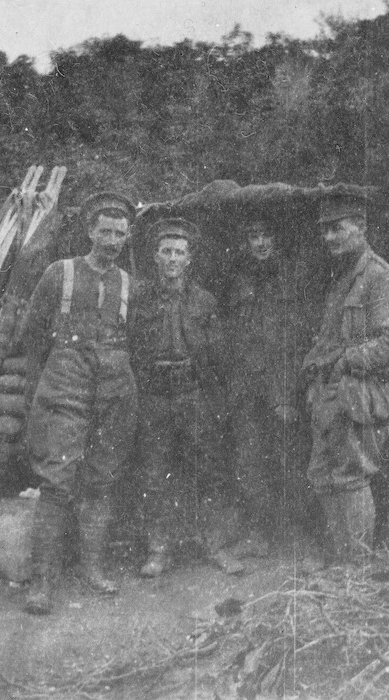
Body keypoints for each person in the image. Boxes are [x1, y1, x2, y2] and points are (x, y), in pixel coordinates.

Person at [23, 191, 138, 614]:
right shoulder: (61, 273)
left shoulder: (129, 283)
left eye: (119, 233)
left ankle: (92, 568)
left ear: (127, 237)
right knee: (57, 482)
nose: (111, 240)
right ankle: (42, 584)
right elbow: (32, 333)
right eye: (104, 231)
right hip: (66, 386)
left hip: (114, 390)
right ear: (90, 231)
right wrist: (48, 383)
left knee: (102, 479)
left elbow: (136, 343)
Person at [301, 189, 389, 570]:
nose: (329, 237)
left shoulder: (381, 277)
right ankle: (342, 562)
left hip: (365, 399)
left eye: (337, 228)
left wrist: (346, 360)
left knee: (350, 477)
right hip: (338, 396)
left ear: (361, 227)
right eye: (324, 230)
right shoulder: (344, 276)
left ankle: (355, 569)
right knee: (327, 476)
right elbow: (335, 335)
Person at [129, 218, 243, 577]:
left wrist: (217, 399)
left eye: (180, 252)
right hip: (154, 395)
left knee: (209, 469)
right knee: (153, 471)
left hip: (194, 394)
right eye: (167, 251)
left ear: (189, 258)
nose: (173, 258)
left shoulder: (205, 301)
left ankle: (216, 545)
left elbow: (220, 356)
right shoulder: (138, 298)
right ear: (155, 257)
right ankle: (158, 550)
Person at [226, 219, 312, 554]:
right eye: (253, 236)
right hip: (248, 387)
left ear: (277, 240)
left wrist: (288, 393)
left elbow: (299, 340)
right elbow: (232, 338)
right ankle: (260, 535)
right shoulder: (238, 281)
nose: (260, 243)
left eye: (266, 236)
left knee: (288, 462)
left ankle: (296, 538)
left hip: (282, 387)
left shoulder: (294, 277)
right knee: (250, 463)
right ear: (245, 243)